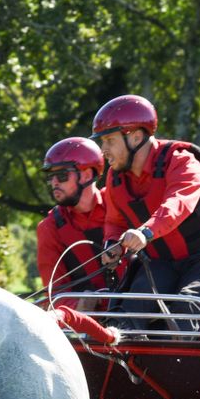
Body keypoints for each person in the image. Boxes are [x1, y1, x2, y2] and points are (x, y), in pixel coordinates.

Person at [92, 94, 200, 331]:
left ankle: (189, 367)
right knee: (128, 312)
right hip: (162, 262)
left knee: (185, 308)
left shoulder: (183, 162)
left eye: (109, 140)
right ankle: (129, 366)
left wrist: (145, 232)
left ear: (136, 137)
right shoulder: (115, 178)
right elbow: (114, 221)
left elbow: (178, 204)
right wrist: (113, 244)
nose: (104, 150)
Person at [36, 136, 120, 344]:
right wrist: (80, 303)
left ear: (87, 174)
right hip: (91, 328)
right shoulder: (50, 227)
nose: (54, 183)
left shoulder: (119, 202)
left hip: (142, 313)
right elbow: (55, 293)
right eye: (51, 177)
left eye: (62, 175)